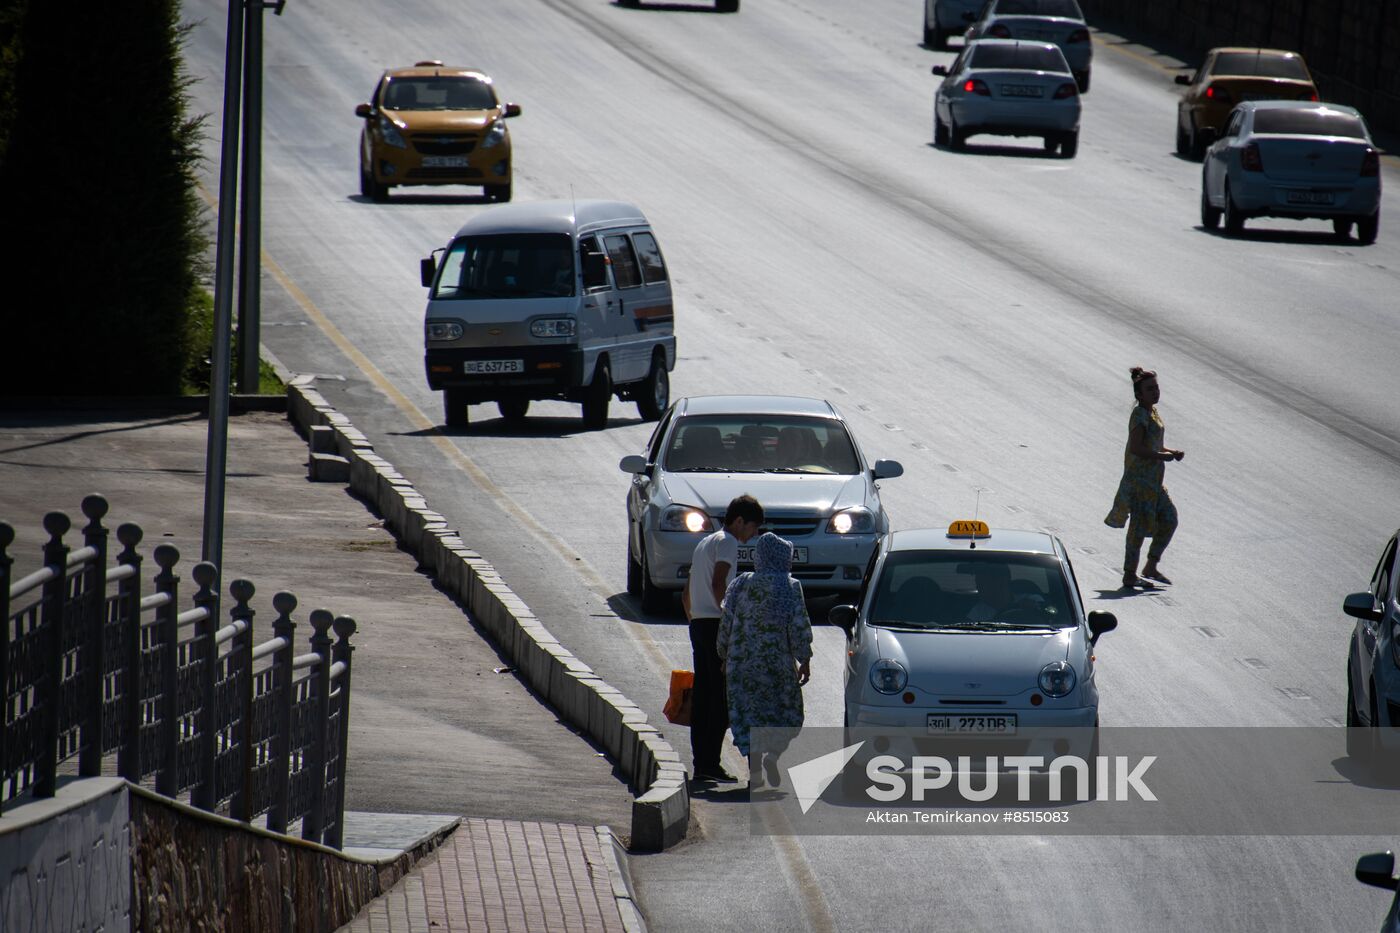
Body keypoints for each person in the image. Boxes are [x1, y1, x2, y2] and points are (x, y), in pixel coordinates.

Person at [717, 532, 813, 787]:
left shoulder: (740, 584)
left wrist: (724, 654)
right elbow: (798, 626)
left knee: (751, 717)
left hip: (742, 666)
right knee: (786, 714)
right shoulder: (790, 586)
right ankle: (773, 757)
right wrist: (804, 659)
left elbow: (726, 622)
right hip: (777, 667)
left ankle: (756, 775)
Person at [682, 494, 764, 783]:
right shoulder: (727, 542)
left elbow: (686, 592)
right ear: (739, 520)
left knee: (703, 695)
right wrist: (729, 618)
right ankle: (710, 764)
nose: (752, 535)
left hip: (699, 624)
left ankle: (701, 763)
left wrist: (695, 620)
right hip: (716, 625)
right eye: (752, 527)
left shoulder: (705, 542)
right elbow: (719, 583)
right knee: (719, 698)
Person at [1105, 367, 1185, 588]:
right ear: (1139, 394)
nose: (1155, 392)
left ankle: (1151, 566)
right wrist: (1161, 456)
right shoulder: (1140, 414)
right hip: (1140, 482)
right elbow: (1137, 448)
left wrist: (1170, 452)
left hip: (1154, 484)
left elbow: (1154, 444)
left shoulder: (1152, 412)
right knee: (1138, 530)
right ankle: (1130, 573)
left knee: (1169, 519)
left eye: (1156, 387)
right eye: (1150, 389)